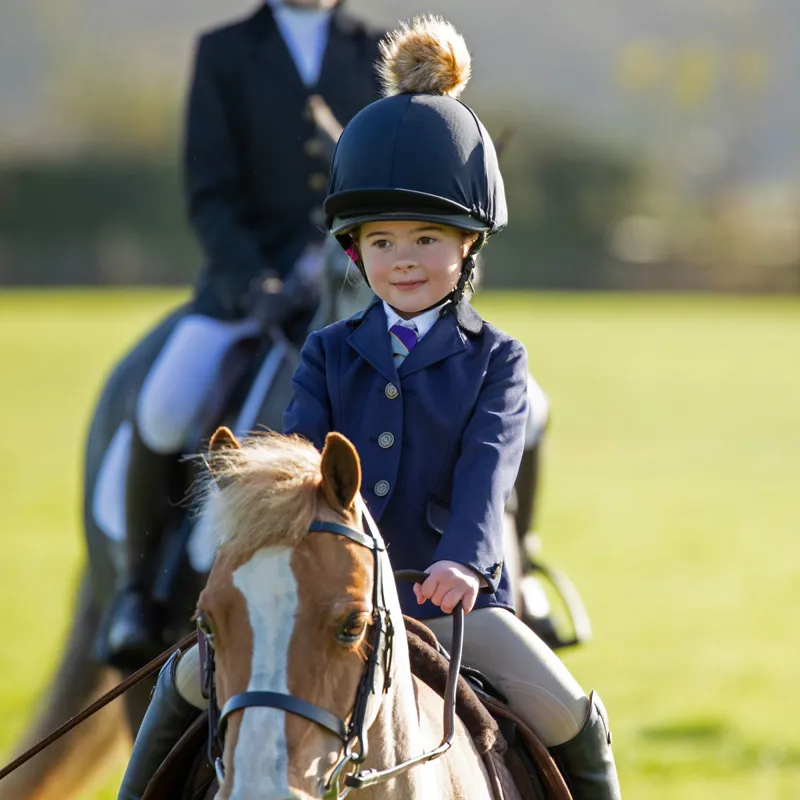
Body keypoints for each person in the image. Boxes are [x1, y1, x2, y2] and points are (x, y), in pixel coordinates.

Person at [117, 16, 620, 799]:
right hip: (326, 598)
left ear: (468, 247)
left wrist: (463, 559)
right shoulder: (326, 351)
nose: (404, 259)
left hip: (450, 600)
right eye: (381, 243)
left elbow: (490, 476)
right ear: (354, 254)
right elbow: (297, 470)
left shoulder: (500, 361)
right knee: (180, 686)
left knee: (570, 718)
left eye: (426, 238)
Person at [104, 0, 384, 668]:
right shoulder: (225, 50)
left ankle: (514, 570)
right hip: (246, 289)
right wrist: (256, 279)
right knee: (166, 404)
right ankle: (138, 589)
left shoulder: (376, 50)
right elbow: (210, 189)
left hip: (357, 282)